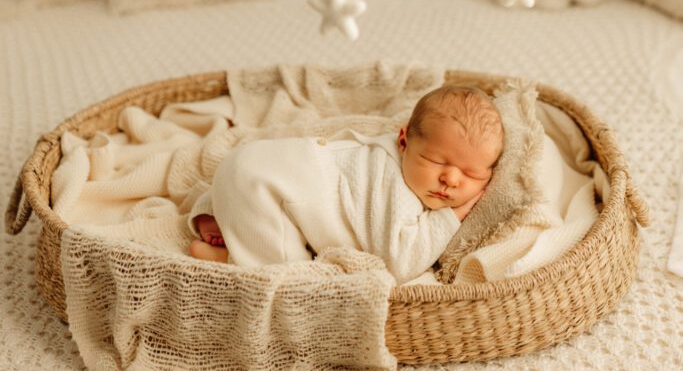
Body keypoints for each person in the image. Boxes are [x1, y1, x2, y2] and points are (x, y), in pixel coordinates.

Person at [187, 85, 504, 284]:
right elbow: (400, 263)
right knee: (293, 280)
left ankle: (218, 214)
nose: (450, 179)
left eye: (472, 175)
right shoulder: (393, 184)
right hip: (263, 186)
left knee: (259, 199)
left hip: (251, 163)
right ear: (403, 139)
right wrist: (452, 216)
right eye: (436, 161)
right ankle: (232, 257)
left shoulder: (387, 154)